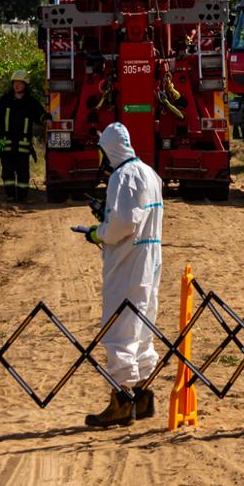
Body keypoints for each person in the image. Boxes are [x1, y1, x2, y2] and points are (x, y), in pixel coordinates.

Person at [78, 123, 164, 428]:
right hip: (149, 260)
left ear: (109, 149)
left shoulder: (122, 176)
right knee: (141, 325)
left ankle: (121, 400)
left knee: (118, 328)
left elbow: (123, 224)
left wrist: (98, 233)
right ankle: (142, 394)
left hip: (127, 262)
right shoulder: (150, 173)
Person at [0, 69, 48, 202]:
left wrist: (46, 118)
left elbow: (40, 114)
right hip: (5, 143)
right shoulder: (5, 100)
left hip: (23, 145)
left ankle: (22, 198)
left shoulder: (30, 102)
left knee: (23, 173)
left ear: (25, 85)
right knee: (7, 172)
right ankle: (10, 195)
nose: (17, 85)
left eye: (20, 83)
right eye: (15, 82)